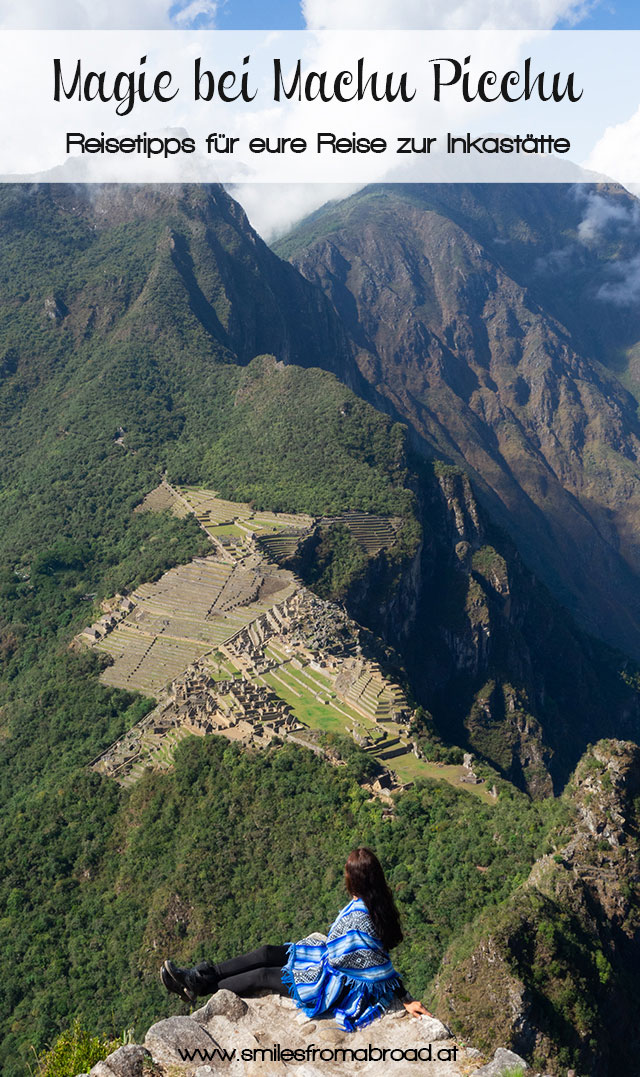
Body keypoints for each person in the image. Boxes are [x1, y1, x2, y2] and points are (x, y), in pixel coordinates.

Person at [161, 847, 431, 1032]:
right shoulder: (375, 899)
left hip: (336, 981)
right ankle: (198, 977)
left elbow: (378, 965)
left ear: (356, 880)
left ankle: (202, 987)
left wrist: (405, 999)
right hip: (329, 960)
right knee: (267, 952)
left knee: (264, 975)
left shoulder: (361, 916)